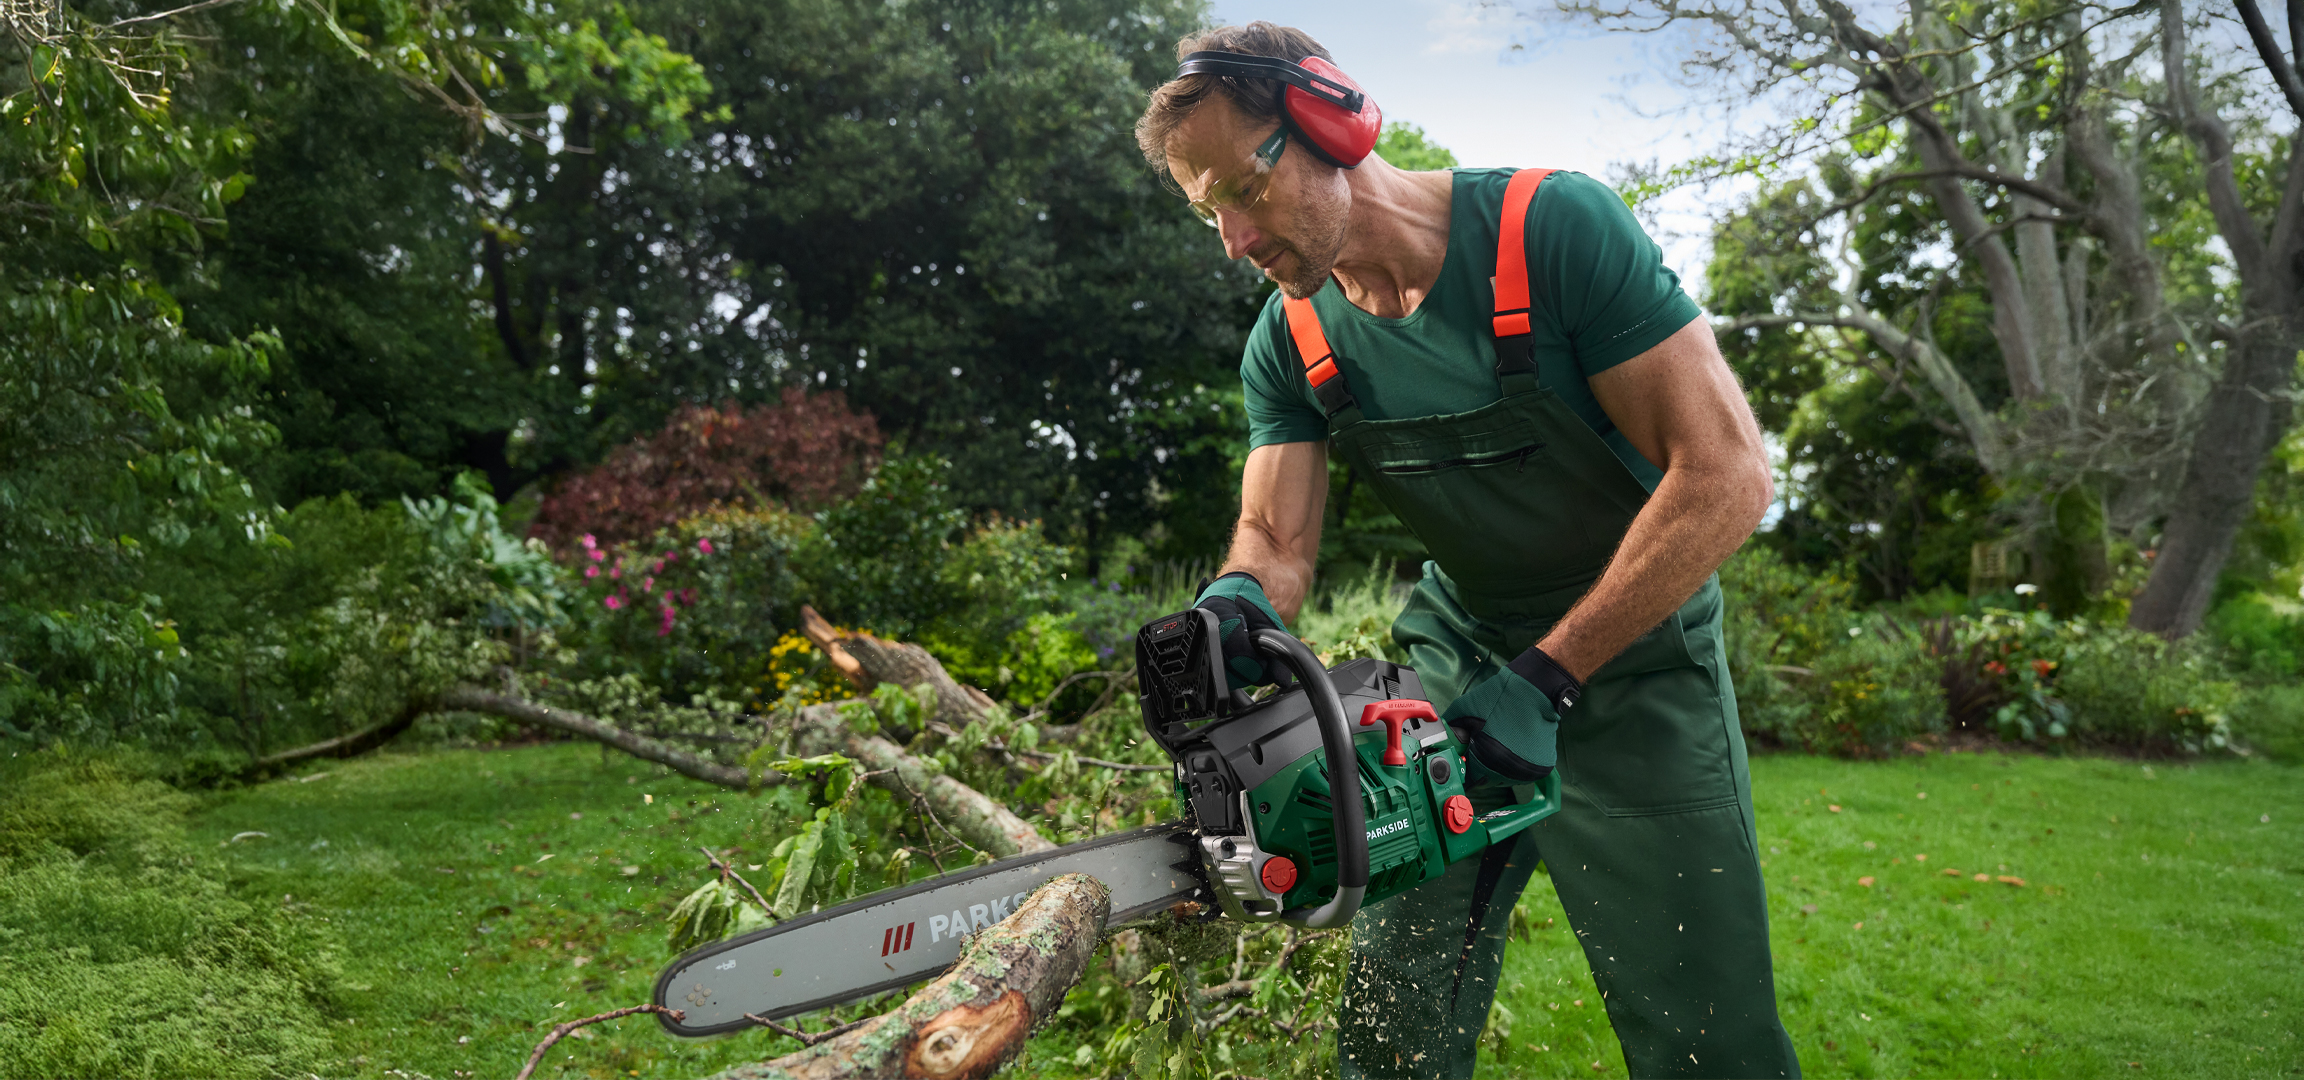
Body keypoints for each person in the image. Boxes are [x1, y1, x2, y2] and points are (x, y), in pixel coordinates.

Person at [1133, 21, 1802, 1080]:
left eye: (1242, 192)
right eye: (1204, 211)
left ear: (1329, 122)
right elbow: (1274, 536)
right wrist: (1234, 603)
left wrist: (1551, 676)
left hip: (1639, 662)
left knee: (1703, 1025)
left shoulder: (1552, 232)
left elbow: (1726, 476)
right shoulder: (1294, 337)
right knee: (1396, 1008)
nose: (1233, 239)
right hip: (1459, 653)